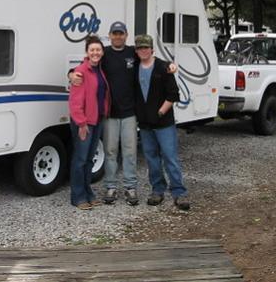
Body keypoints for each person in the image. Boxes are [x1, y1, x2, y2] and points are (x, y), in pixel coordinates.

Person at [70, 21, 177, 206]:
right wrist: (71, 73)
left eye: (121, 33)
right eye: (114, 33)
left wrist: (169, 65)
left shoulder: (132, 53)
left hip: (130, 114)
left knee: (129, 153)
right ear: (110, 36)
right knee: (110, 152)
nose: (118, 36)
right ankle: (110, 187)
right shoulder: (104, 54)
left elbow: (150, 60)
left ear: (126, 35)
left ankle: (130, 187)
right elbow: (87, 66)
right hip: (109, 114)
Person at [133, 34, 190, 211]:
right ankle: (157, 190)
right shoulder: (134, 67)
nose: (143, 50)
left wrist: (159, 112)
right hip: (145, 124)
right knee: (151, 158)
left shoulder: (163, 67)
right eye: (140, 48)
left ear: (152, 49)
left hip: (163, 123)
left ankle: (179, 192)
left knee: (170, 157)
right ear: (136, 51)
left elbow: (173, 95)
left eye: (146, 47)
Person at [68, 35, 110, 210]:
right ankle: (78, 197)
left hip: (97, 119)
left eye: (98, 50)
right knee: (80, 159)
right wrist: (81, 123)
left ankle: (88, 192)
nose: (95, 52)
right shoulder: (80, 71)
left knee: (89, 160)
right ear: (87, 52)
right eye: (92, 49)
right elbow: (75, 102)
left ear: (102, 52)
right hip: (84, 122)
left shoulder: (99, 70)